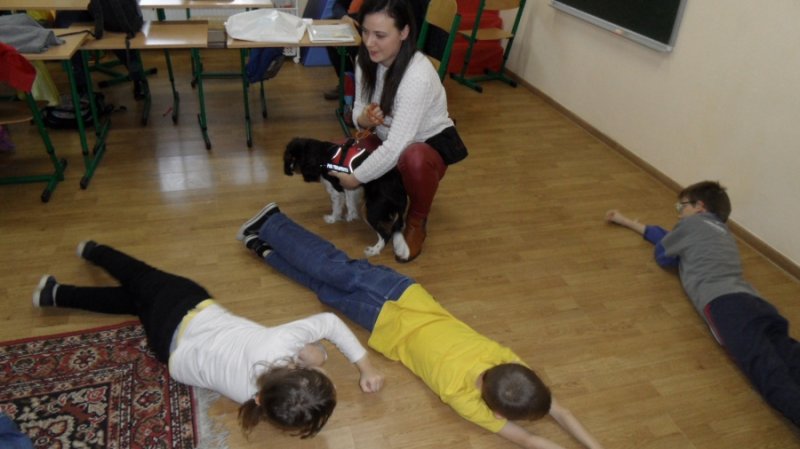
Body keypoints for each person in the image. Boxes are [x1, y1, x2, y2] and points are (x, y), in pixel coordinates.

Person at [236, 202, 605, 449]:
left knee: (326, 282)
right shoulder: (467, 402)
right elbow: (529, 438)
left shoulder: (506, 362)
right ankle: (269, 223)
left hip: (394, 303)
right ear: (495, 412)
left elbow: (556, 414)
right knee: (329, 271)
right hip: (389, 308)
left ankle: (260, 246)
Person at [31, 241, 384, 438]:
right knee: (135, 303)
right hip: (168, 351)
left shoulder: (278, 344)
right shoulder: (254, 397)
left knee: (139, 276)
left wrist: (363, 366)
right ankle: (55, 295)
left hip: (185, 310)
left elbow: (329, 323)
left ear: (295, 369)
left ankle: (92, 250)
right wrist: (314, 356)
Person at [605, 180, 800, 427]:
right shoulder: (723, 233)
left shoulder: (691, 224)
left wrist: (678, 256)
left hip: (727, 305)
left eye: (681, 207)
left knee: (768, 372)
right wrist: (627, 222)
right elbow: (672, 240)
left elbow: (664, 255)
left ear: (700, 207)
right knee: (790, 354)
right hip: (756, 302)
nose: (679, 213)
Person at [329, 0, 468, 263]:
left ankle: (416, 220)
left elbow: (397, 148)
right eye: (365, 31)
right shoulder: (365, 59)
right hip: (387, 139)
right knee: (337, 152)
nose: (370, 42)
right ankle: (391, 189)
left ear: (404, 32)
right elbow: (358, 110)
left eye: (380, 35)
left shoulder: (417, 76)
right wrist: (365, 118)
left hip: (425, 147)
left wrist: (356, 178)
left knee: (412, 158)